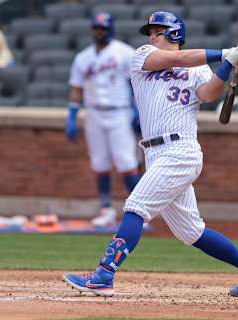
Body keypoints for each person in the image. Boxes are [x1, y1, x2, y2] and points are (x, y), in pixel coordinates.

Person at [63, 11, 238, 298]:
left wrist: (228, 64)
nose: (152, 36)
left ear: (175, 33)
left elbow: (209, 94)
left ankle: (104, 274)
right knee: (191, 232)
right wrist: (226, 52)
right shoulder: (142, 56)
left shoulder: (199, 69)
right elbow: (178, 59)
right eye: (150, 31)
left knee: (135, 206)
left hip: (180, 150)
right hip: (154, 151)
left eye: (158, 31)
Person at [66, 12, 142, 227]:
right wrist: (71, 116)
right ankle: (106, 209)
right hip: (94, 114)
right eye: (97, 28)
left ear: (111, 29)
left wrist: (138, 110)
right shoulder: (83, 57)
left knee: (127, 162)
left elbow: (137, 83)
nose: (100, 32)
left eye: (104, 29)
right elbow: (76, 89)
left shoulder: (124, 52)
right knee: (99, 163)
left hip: (120, 112)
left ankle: (140, 212)